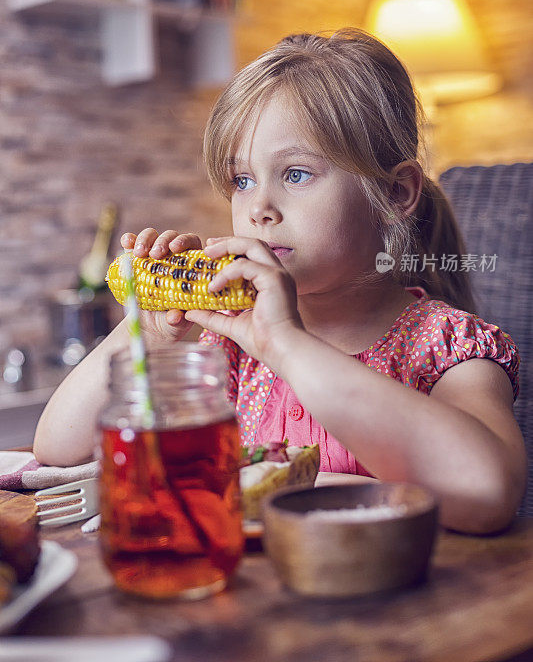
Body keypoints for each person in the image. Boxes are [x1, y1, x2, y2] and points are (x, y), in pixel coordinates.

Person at [34, 29, 527, 535]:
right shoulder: (230, 349)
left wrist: (286, 344)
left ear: (395, 193)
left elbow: (487, 493)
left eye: (295, 174)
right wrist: (152, 328)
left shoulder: (445, 347)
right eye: (241, 181)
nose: (258, 209)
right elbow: (57, 448)